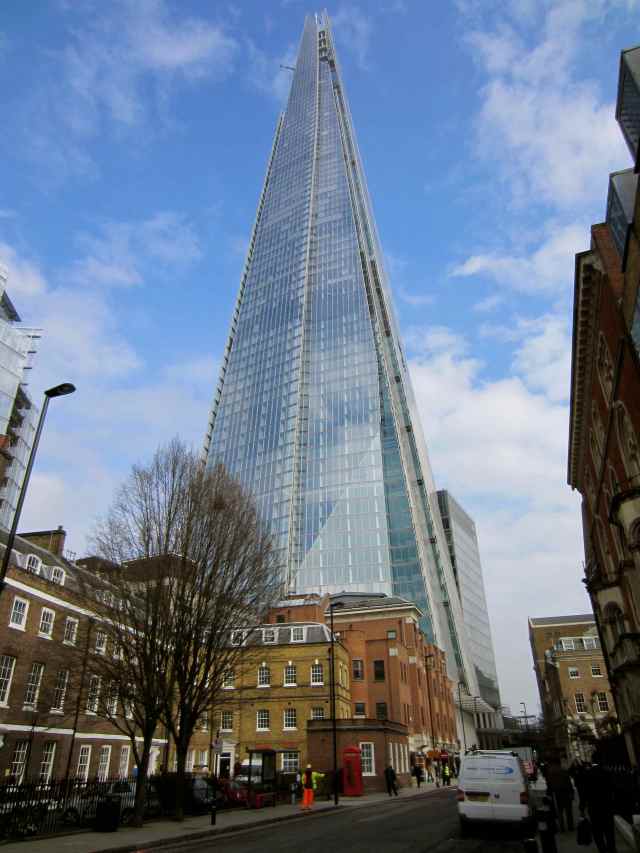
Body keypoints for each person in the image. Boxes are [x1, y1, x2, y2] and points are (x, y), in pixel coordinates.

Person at [578, 761, 618, 853]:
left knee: (597, 832)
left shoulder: (587, 774)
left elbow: (584, 793)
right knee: (609, 831)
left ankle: (602, 849)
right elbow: (613, 788)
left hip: (594, 808)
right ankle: (611, 849)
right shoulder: (606, 772)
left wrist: (582, 808)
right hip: (606, 806)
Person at [546, 758, 575, 832]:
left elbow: (549, 784)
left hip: (556, 793)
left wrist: (549, 793)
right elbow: (569, 783)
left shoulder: (550, 772)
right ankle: (570, 826)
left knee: (559, 811)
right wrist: (572, 793)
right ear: (559, 763)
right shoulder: (563, 771)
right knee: (568, 811)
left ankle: (562, 827)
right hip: (566, 792)